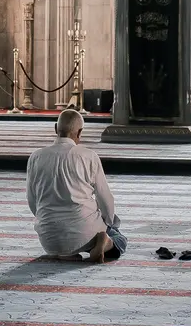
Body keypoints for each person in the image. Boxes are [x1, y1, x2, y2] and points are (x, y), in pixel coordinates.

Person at [26, 108, 126, 263]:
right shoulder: (88, 156)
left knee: (62, 235)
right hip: (84, 232)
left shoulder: (36, 157)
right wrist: (110, 223)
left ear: (55, 129)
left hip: (48, 238)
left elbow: (32, 201)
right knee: (119, 238)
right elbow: (105, 198)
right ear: (79, 132)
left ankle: (64, 253)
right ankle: (104, 243)